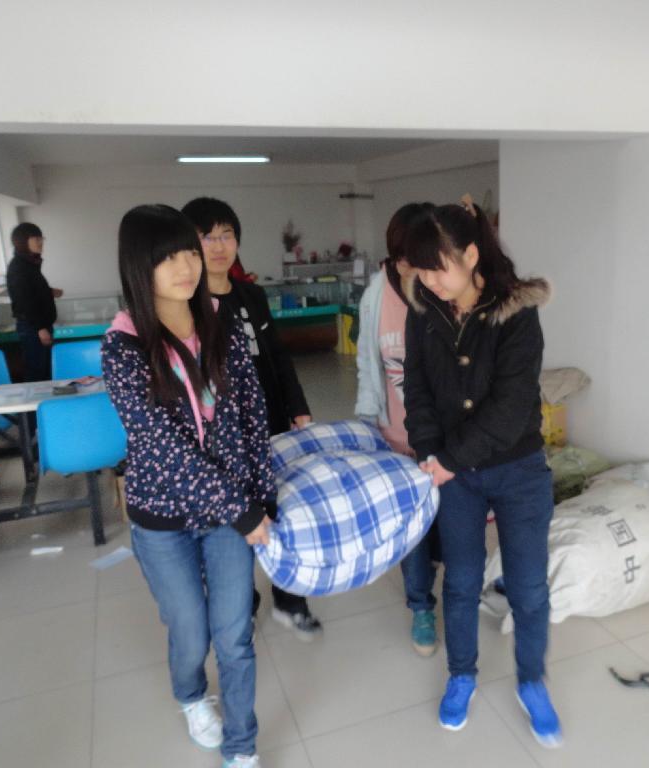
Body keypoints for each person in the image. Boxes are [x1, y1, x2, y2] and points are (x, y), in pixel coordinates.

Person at [101, 204, 274, 768]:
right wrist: (243, 510)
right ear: (138, 266)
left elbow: (252, 416)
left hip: (229, 514)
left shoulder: (220, 325)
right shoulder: (123, 347)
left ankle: (242, 746)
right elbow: (163, 448)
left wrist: (262, 497)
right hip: (162, 520)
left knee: (235, 634)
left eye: (189, 253)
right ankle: (193, 696)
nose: (186, 267)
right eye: (167, 258)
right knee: (191, 632)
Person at [402, 196, 562, 747]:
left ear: (471, 255)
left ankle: (532, 680)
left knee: (529, 587)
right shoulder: (425, 312)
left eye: (438, 267)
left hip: (517, 469)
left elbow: (513, 407)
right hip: (456, 478)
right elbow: (417, 389)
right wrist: (429, 453)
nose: (430, 280)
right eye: (422, 270)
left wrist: (447, 460)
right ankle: (462, 675)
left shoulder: (516, 311)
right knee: (462, 580)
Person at [181, 196, 323, 642]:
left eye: (226, 235)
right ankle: (243, 602)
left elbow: (278, 356)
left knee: (282, 512)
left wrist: (297, 405)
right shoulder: (186, 305)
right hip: (221, 436)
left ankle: (290, 599)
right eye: (207, 237)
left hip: (272, 423)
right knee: (232, 520)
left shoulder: (252, 296)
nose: (218, 246)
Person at [355, 201, 442, 657]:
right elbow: (366, 362)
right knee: (413, 531)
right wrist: (369, 419)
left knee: (446, 527)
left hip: (444, 438)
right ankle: (421, 607)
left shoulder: (441, 289)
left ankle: (444, 579)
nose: (412, 267)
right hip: (397, 436)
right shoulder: (375, 296)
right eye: (405, 257)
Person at [5, 222, 62, 381]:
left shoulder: (30, 264)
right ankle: (37, 398)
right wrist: (40, 328)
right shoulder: (19, 267)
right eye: (36, 239)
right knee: (37, 371)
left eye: (41, 239)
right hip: (33, 328)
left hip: (38, 326)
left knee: (45, 369)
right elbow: (24, 301)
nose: (41, 243)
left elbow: (31, 290)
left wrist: (49, 292)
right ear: (23, 241)